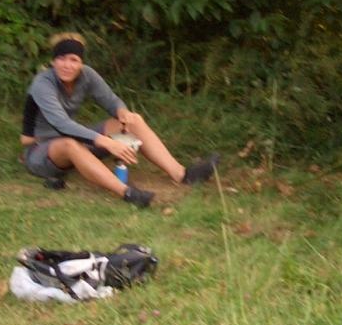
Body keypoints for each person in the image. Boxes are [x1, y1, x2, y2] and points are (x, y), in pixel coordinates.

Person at [20, 33, 219, 208]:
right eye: (61, 58)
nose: (67, 65)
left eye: (73, 59)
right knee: (70, 143)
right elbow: (61, 124)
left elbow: (111, 100)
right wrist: (106, 142)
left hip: (75, 141)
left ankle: (183, 175)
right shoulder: (43, 83)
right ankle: (127, 192)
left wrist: (122, 112)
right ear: (53, 61)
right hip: (41, 153)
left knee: (133, 120)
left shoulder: (86, 75)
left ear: (80, 62)